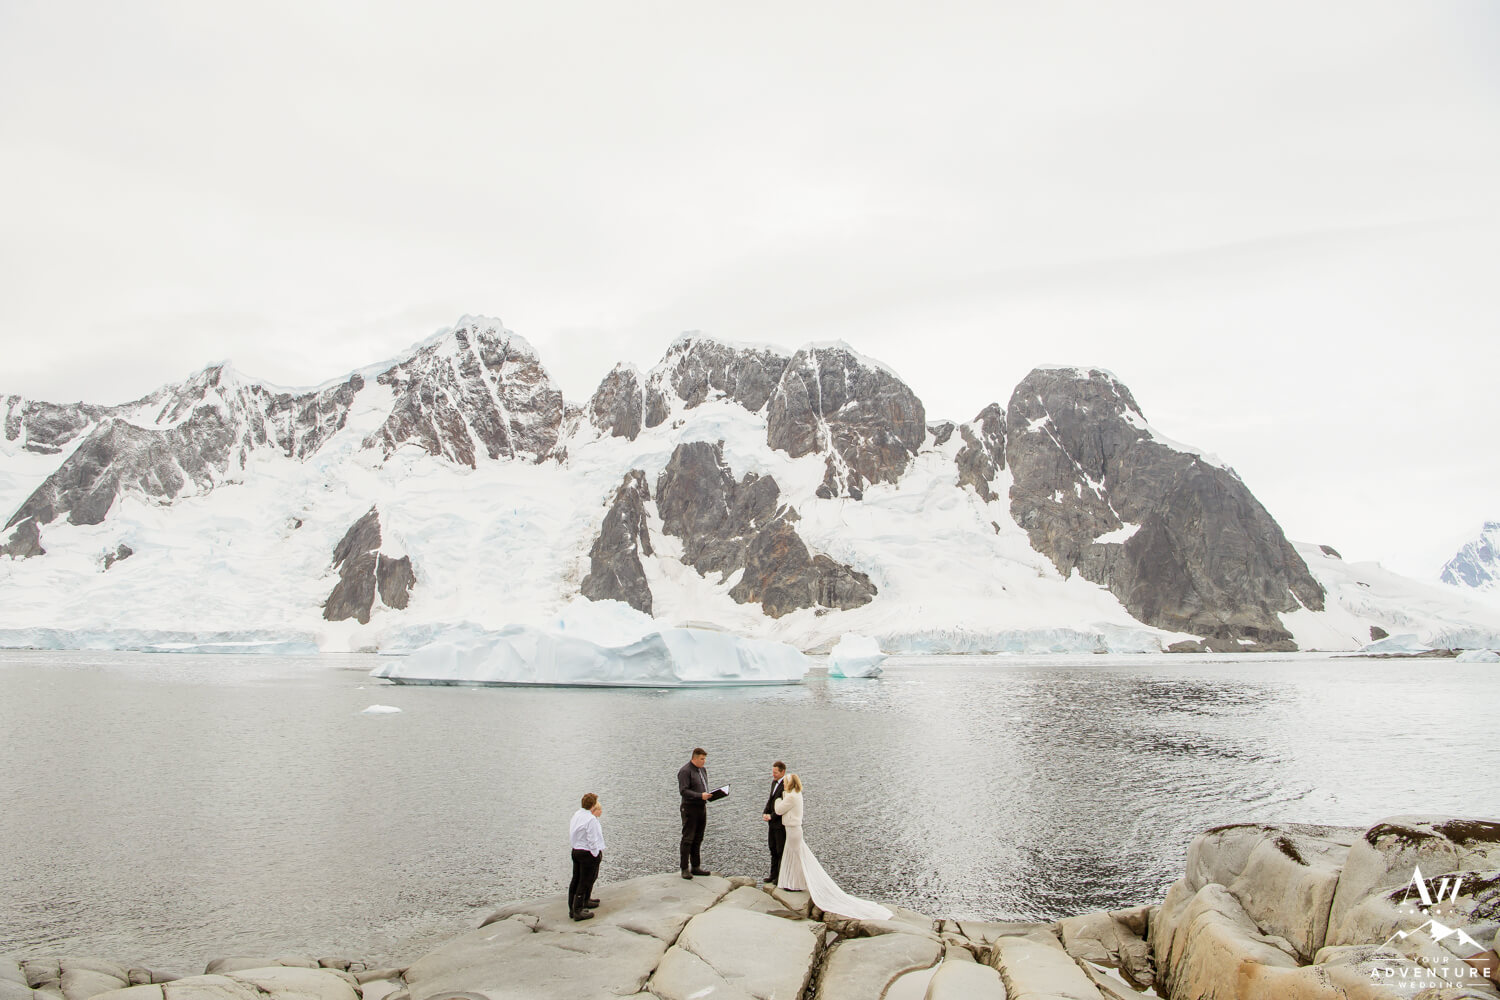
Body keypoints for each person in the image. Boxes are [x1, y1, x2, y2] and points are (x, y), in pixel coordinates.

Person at [774, 773, 891, 921]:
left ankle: (793, 883)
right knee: (794, 856)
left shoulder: (790, 797)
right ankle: (793, 882)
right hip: (793, 830)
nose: (783, 785)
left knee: (796, 856)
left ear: (790, 784)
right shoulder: (796, 794)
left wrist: (777, 800)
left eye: (785, 782)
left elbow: (779, 810)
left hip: (793, 830)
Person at [677, 747, 713, 878]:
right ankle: (684, 868)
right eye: (702, 759)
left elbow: (703, 786)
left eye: (704, 759)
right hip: (689, 808)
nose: (704, 761)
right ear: (694, 758)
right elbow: (684, 791)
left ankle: (696, 866)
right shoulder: (685, 771)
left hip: (701, 807)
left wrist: (709, 795)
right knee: (688, 838)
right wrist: (699, 796)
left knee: (699, 837)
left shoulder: (702, 770)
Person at [568, 793, 605, 921]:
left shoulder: (577, 814)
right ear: (593, 805)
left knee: (576, 879)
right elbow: (592, 839)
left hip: (576, 850)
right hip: (587, 853)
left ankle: (574, 907)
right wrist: (595, 854)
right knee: (585, 881)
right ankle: (578, 910)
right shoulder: (590, 819)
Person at [761, 761, 787, 885]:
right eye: (773, 772)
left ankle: (780, 877)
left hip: (780, 824)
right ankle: (772, 874)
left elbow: (784, 806)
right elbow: (770, 799)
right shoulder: (773, 783)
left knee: (780, 850)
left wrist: (772, 816)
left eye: (775, 772)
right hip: (771, 823)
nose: (773, 775)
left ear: (783, 772)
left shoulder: (786, 785)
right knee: (772, 848)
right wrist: (765, 812)